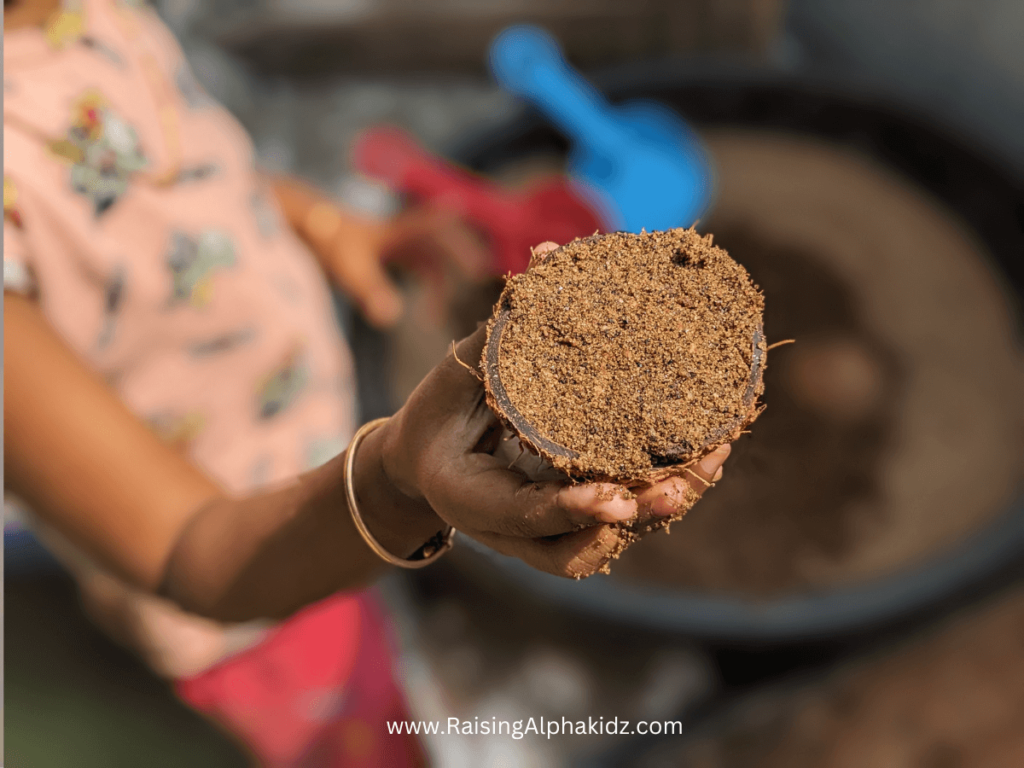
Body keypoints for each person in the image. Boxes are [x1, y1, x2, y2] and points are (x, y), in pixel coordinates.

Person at [3, 0, 731, 764]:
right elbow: (193, 552)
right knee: (361, 737)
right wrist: (397, 484)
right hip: (249, 597)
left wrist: (327, 226)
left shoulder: (75, 12)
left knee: (364, 601)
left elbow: (170, 170)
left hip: (313, 444)